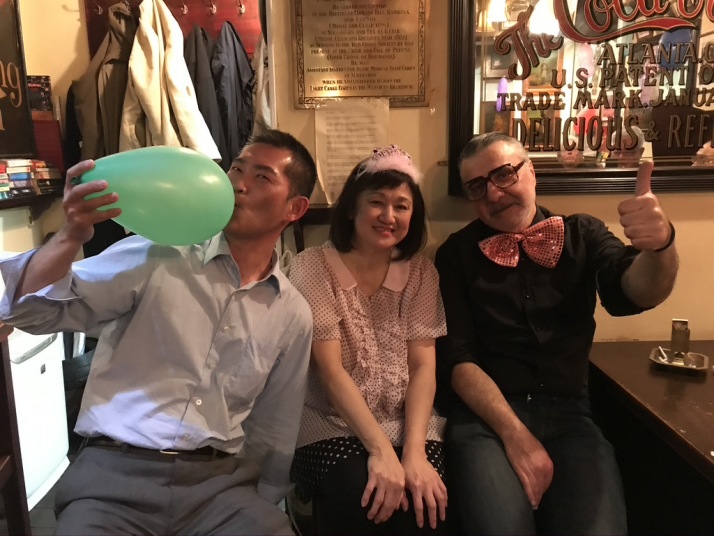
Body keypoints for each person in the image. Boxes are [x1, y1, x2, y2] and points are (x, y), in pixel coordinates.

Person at [0, 129, 318, 535]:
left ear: (295, 208)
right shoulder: (159, 254)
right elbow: (29, 311)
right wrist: (69, 236)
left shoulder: (292, 313)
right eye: (237, 169)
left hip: (219, 487)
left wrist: (261, 504)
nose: (238, 184)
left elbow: (275, 426)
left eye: (261, 177)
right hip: (114, 475)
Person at [435, 132, 678, 535]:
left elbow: (635, 291)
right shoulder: (455, 255)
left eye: (504, 174)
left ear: (531, 171)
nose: (493, 194)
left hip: (571, 418)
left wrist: (661, 246)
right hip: (486, 420)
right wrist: (517, 436)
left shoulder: (582, 233)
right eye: (477, 187)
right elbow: (457, 360)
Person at [288, 145, 449, 535]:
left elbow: (423, 367)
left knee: (427, 505)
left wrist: (413, 454)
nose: (389, 216)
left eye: (401, 206)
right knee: (363, 500)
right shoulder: (313, 266)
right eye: (376, 202)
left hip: (409, 422)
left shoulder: (421, 273)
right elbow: (329, 371)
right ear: (351, 209)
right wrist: (380, 451)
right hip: (330, 422)